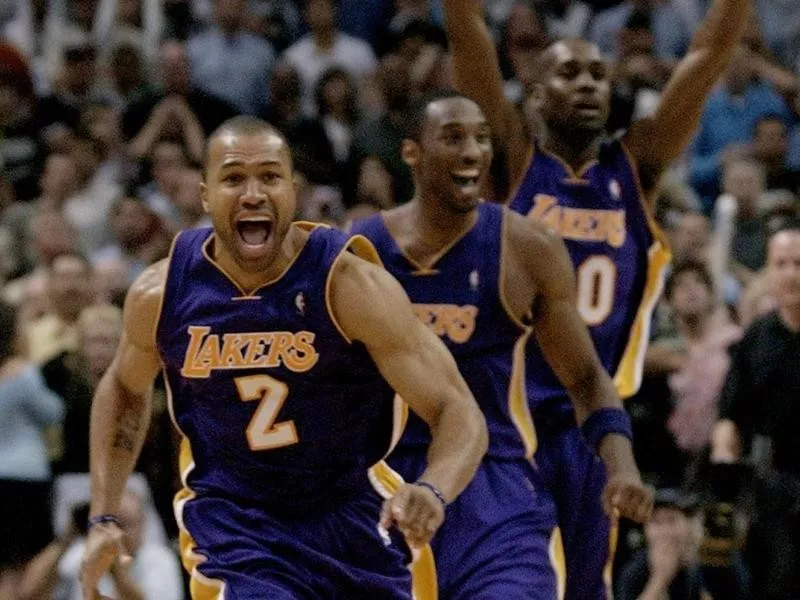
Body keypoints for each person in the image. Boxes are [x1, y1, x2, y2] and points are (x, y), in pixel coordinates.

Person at [79, 115, 489, 599]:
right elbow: (125, 388)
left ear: (292, 192)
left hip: (351, 510)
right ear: (206, 195)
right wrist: (103, 515)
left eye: (270, 177)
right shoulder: (162, 293)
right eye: (233, 178)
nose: (253, 193)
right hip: (236, 522)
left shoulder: (349, 286)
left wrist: (434, 488)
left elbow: (456, 408)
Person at [441, 0, 751, 596]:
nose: (587, 83)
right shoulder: (512, 160)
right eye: (569, 73)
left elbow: (708, 57)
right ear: (533, 93)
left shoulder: (636, 166)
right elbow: (468, 33)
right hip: (509, 422)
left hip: (596, 427)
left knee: (586, 587)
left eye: (598, 74)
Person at [352, 90, 653, 599]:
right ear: (412, 153)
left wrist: (621, 464)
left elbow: (584, 376)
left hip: (493, 492)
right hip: (385, 488)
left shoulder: (527, 248)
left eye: (482, 138)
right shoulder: (357, 253)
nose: (472, 151)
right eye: (453, 138)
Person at [711, 221, 800, 599]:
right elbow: (729, 418)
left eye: (798, 263)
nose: (791, 273)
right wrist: (721, 495)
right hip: (771, 483)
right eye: (781, 263)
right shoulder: (757, 337)